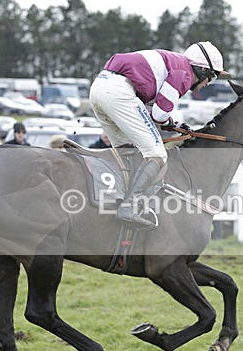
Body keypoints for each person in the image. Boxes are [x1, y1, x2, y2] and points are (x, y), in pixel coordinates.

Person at [89, 41, 228, 227]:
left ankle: (116, 200)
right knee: (157, 154)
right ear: (203, 71)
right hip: (118, 93)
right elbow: (160, 115)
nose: (207, 84)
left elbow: (150, 111)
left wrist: (172, 123)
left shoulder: (174, 63)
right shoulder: (184, 73)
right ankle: (129, 206)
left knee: (127, 152)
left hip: (99, 87)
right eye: (211, 78)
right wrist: (171, 123)